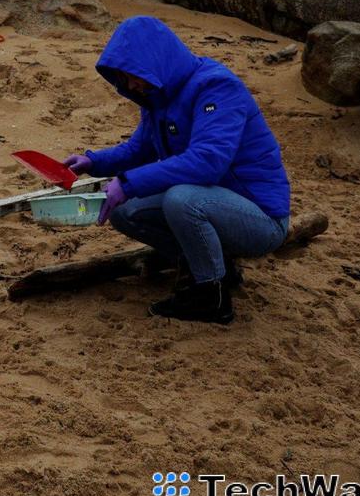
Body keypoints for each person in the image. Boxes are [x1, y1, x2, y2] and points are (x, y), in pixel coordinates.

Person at [63, 16, 291, 324]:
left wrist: (128, 183)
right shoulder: (158, 98)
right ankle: (212, 266)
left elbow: (208, 161)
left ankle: (211, 296)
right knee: (123, 210)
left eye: (132, 75)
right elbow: (138, 150)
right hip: (217, 205)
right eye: (123, 78)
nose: (130, 85)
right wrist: (92, 162)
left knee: (182, 200)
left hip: (261, 219)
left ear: (154, 61)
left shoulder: (217, 87)